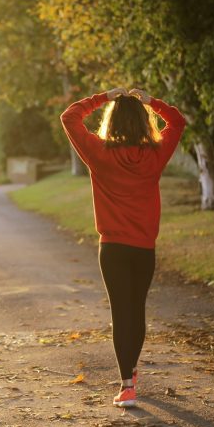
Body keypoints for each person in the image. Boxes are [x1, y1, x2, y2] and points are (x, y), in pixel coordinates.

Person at [59, 87, 186, 408]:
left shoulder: (99, 153)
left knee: (121, 312)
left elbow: (69, 117)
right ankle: (130, 371)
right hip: (144, 248)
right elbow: (178, 122)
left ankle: (127, 384)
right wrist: (151, 102)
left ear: (111, 122)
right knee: (136, 310)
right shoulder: (155, 155)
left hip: (112, 248)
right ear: (144, 123)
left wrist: (103, 97)